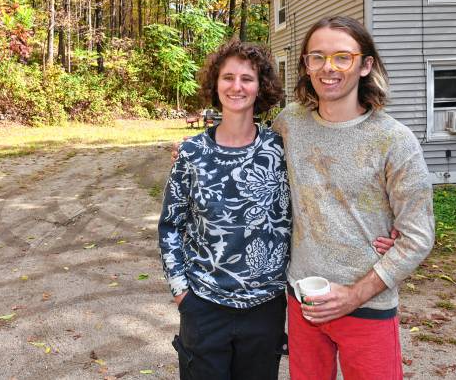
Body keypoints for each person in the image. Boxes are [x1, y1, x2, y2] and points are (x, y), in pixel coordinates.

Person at [159, 39, 398, 380]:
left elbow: (323, 194)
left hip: (265, 307)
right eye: (228, 78)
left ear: (261, 88)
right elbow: (171, 224)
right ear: (216, 84)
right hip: (204, 303)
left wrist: (387, 230)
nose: (237, 86)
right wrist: (181, 290)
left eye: (247, 78)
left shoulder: (280, 146)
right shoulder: (192, 153)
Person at [272, 16, 435, 380]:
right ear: (306, 65)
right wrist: (196, 153)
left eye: (342, 57)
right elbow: (252, 167)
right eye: (317, 57)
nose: (328, 68)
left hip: (367, 306)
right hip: (303, 303)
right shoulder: (289, 124)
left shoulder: (394, 140)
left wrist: (354, 294)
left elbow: (418, 236)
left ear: (365, 65)